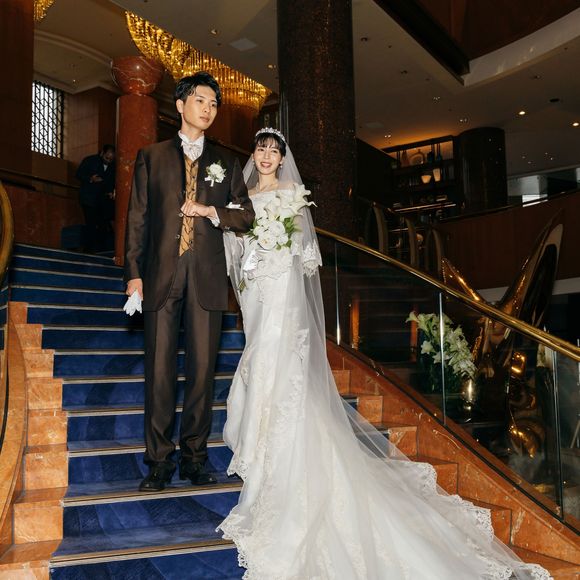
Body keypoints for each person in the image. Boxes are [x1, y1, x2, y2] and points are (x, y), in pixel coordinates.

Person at [218, 128, 550, 579]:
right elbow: (235, 244)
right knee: (259, 360)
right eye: (261, 148)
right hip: (255, 292)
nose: (266, 156)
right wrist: (247, 256)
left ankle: (276, 458)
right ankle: (258, 443)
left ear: (282, 159)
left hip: (281, 294)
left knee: (279, 368)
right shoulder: (244, 198)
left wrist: (275, 256)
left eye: (275, 151)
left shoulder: (292, 195)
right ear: (254, 153)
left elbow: (303, 257)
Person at [124, 72, 255, 492]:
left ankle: (195, 458)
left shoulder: (226, 162)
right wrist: (134, 274)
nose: (208, 109)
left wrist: (211, 211)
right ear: (181, 105)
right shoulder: (151, 156)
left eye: (214, 103)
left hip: (207, 275)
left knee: (201, 373)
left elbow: (246, 215)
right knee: (159, 371)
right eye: (201, 100)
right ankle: (159, 461)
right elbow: (138, 219)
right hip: (160, 274)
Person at [76, 144, 116, 252]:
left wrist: (111, 192)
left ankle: (101, 249)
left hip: (102, 200)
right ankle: (88, 250)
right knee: (91, 224)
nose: (108, 161)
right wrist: (90, 179)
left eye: (111, 159)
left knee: (103, 225)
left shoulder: (113, 166)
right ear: (102, 153)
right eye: (107, 158)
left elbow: (111, 181)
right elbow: (78, 174)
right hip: (88, 199)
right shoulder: (90, 160)